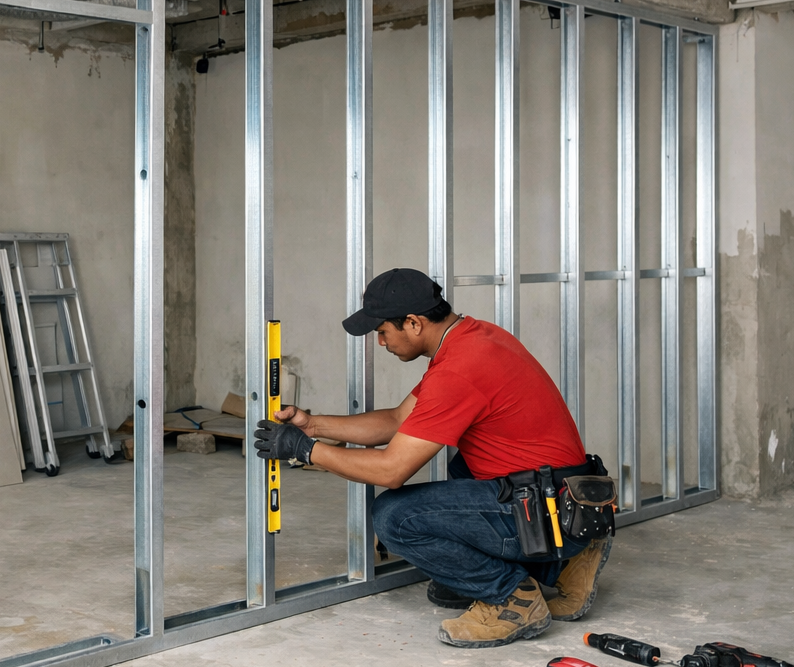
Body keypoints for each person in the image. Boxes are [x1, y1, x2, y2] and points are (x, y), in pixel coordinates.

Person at [254, 267, 613, 647]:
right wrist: (312, 425)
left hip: (546, 509)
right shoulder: (475, 338)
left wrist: (306, 451)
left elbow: (392, 470)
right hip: (564, 499)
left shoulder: (459, 370)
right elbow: (398, 420)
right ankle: (564, 564)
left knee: (395, 517)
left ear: (413, 323)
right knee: (464, 464)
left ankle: (512, 598)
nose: (381, 341)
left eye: (382, 331)